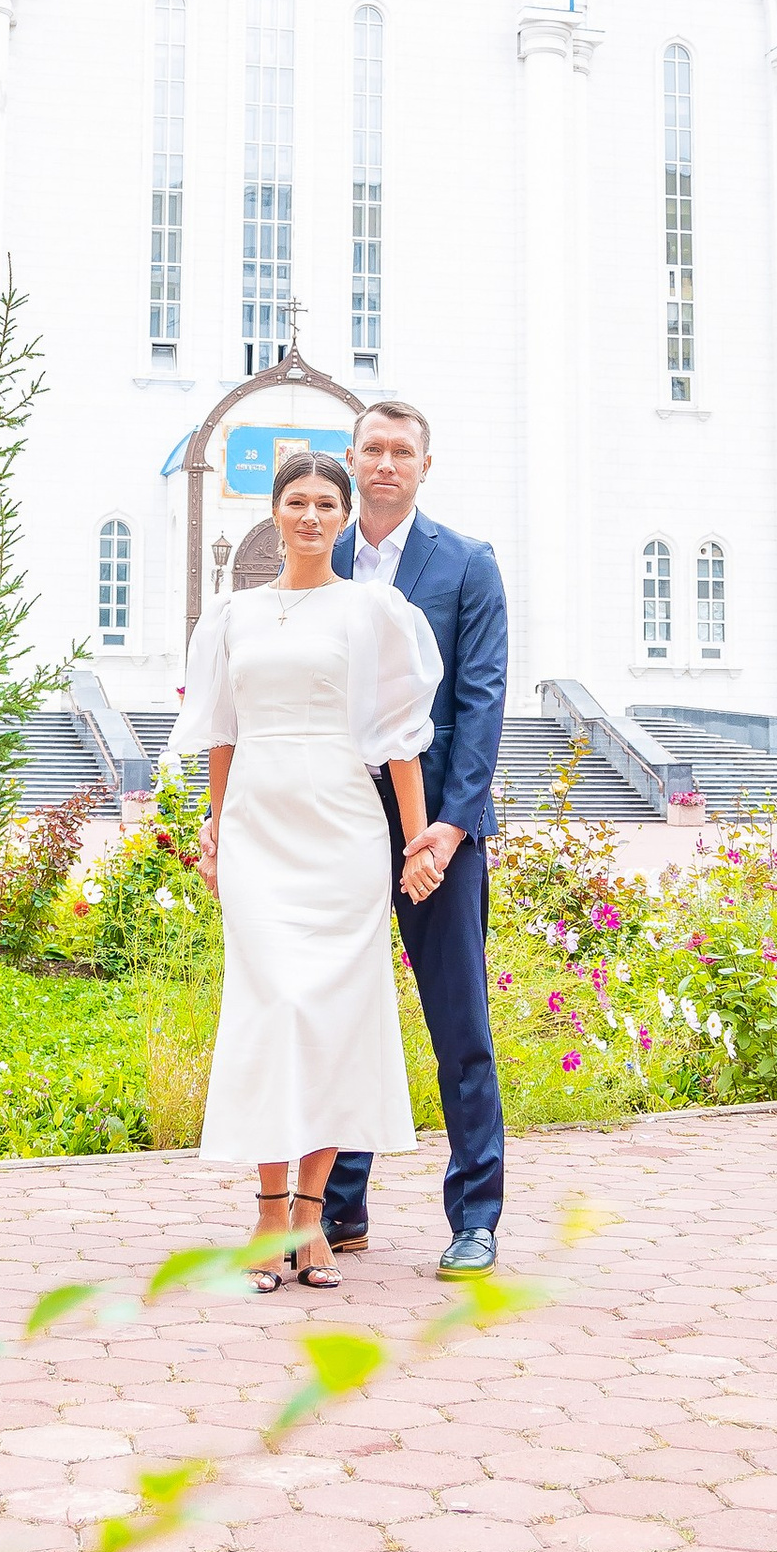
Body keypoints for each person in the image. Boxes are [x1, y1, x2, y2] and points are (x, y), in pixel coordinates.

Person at [204, 394, 510, 1279]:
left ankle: (475, 1215)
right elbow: (238, 706)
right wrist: (219, 819)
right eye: (369, 449)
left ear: (422, 466)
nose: (382, 465)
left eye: (399, 453)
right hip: (310, 820)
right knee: (322, 1006)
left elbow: (478, 704)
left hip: (428, 828)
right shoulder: (312, 552)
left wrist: (445, 829)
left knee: (458, 1023)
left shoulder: (466, 566)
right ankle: (332, 1215)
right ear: (349, 458)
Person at [170, 450, 445, 1289]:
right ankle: (263, 1216)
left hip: (343, 830)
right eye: (299, 500)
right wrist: (215, 826)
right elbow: (220, 729)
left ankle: (312, 1216)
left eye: (329, 502)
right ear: (276, 509)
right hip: (259, 826)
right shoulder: (231, 616)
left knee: (331, 1012)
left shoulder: (373, 612)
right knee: (269, 1005)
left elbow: (399, 738)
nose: (313, 516)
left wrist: (417, 839)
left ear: (344, 513)